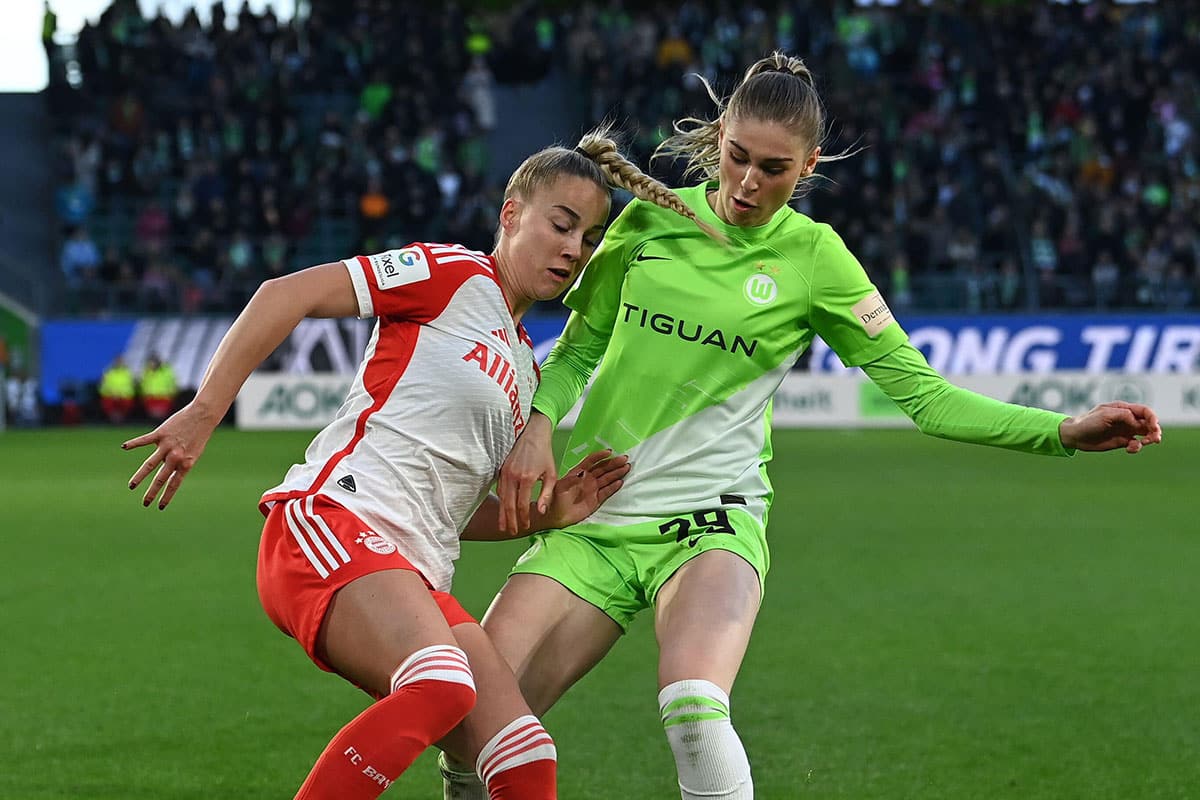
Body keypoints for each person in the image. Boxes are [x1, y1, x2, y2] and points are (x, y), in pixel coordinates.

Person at [440, 53, 1164, 800]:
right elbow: (579, 350)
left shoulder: (817, 259)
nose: (750, 183)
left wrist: (1061, 431)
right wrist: (537, 427)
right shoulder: (648, 224)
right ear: (719, 137)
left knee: (693, 707)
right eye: (739, 158)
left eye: (776, 169)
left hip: (710, 525)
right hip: (593, 518)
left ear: (810, 165)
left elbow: (925, 397)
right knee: (474, 725)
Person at [121, 130, 653, 800]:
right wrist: (204, 411)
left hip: (412, 567)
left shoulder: (525, 367)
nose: (575, 250)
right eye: (562, 225)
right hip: (329, 523)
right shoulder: (452, 274)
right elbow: (287, 293)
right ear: (512, 215)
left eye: (590, 237)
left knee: (524, 753)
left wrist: (542, 518)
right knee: (440, 686)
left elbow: (448, 507)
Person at [138, 353, 178, 421]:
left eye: (153, 362)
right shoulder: (146, 372)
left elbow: (172, 383)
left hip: (164, 397)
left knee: (161, 417)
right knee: (154, 417)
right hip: (151, 397)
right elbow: (143, 384)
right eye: (150, 362)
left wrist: (171, 394)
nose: (152, 364)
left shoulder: (166, 371)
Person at [98, 355, 136, 423]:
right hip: (110, 396)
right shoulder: (108, 372)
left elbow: (131, 386)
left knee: (126, 403)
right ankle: (113, 420)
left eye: (120, 361)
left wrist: (120, 394)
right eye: (117, 361)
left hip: (124, 396)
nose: (119, 363)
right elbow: (103, 386)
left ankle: (122, 420)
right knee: (108, 402)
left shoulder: (128, 372)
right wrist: (112, 393)